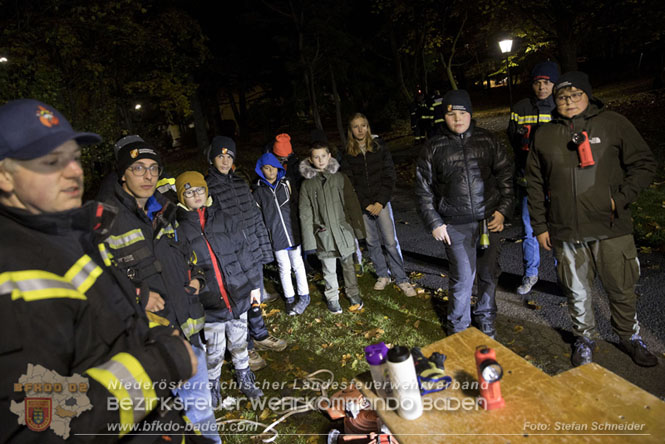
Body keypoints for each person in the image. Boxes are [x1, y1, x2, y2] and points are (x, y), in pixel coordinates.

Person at [0, 99, 201, 442]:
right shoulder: (13, 279)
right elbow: (36, 426)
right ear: (5, 176)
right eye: (51, 161)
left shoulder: (70, 234)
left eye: (74, 157)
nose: (73, 171)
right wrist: (160, 364)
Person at [526, 71, 659, 368]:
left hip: (611, 227)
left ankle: (629, 337)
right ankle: (584, 338)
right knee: (576, 291)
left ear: (588, 95)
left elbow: (644, 164)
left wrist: (620, 199)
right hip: (566, 230)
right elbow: (534, 182)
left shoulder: (613, 123)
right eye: (562, 97)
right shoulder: (545, 134)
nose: (569, 101)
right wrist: (540, 226)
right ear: (554, 100)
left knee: (621, 288)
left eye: (575, 95)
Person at [98, 135, 220, 442]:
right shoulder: (104, 219)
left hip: (188, 334)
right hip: (148, 344)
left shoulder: (165, 210)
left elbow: (184, 255)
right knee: (165, 427)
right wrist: (137, 295)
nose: (148, 175)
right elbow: (97, 285)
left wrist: (197, 278)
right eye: (138, 168)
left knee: (202, 416)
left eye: (153, 167)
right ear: (122, 172)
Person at [415, 90, 514, 339]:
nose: (458, 119)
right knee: (462, 279)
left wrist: (502, 211)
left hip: (488, 222)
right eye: (451, 114)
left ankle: (486, 317)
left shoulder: (488, 140)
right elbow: (423, 189)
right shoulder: (433, 147)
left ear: (470, 114)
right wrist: (435, 222)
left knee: (489, 275)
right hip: (454, 226)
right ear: (444, 117)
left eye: (462, 113)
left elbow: (506, 178)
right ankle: (458, 329)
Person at [175, 171, 264, 404]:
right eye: (189, 192)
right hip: (210, 301)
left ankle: (244, 375)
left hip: (237, 292)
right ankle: (212, 384)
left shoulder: (223, 218)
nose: (196, 195)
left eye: (200, 190)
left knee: (239, 340)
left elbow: (243, 251)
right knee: (214, 349)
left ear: (207, 191)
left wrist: (253, 284)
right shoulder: (179, 229)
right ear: (181, 197)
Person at [205, 136, 287, 371]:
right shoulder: (208, 186)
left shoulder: (241, 183)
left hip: (250, 251)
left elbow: (254, 216)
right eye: (220, 156)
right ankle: (245, 345)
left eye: (228, 156)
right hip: (231, 256)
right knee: (239, 302)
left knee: (254, 297)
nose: (224, 160)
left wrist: (262, 246)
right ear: (212, 158)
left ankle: (260, 334)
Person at [341, 113, 417, 297]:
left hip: (381, 204)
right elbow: (349, 181)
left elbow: (389, 175)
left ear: (368, 127)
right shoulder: (347, 153)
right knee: (372, 242)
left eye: (363, 125)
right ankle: (383, 275)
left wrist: (380, 202)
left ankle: (401, 278)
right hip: (364, 206)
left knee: (390, 242)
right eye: (356, 126)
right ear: (351, 130)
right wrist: (365, 203)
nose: (360, 130)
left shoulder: (379, 147)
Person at [507, 61, 559, 296]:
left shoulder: (561, 108)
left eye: (547, 82)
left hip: (557, 184)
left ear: (554, 84)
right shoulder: (520, 108)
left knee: (559, 229)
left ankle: (564, 278)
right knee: (529, 230)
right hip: (528, 182)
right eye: (538, 82)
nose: (542, 87)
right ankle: (530, 274)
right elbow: (514, 141)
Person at [299, 141, 366, 314]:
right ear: (310, 159)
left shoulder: (340, 178)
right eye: (316, 157)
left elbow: (352, 204)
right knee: (328, 269)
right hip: (324, 235)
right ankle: (332, 298)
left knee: (348, 266)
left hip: (343, 232)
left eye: (323, 156)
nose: (320, 160)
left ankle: (353, 293)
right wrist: (310, 243)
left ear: (329, 156)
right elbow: (305, 214)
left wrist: (358, 231)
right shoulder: (307, 184)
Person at [253, 153, 310, 315]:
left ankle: (304, 296)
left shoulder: (287, 184)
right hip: (276, 236)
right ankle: (290, 298)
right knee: (283, 267)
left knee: (297, 265)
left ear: (278, 168)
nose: (270, 171)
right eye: (266, 168)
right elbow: (259, 217)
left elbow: (298, 205)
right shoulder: (258, 192)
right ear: (261, 170)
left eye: (273, 168)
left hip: (293, 233)